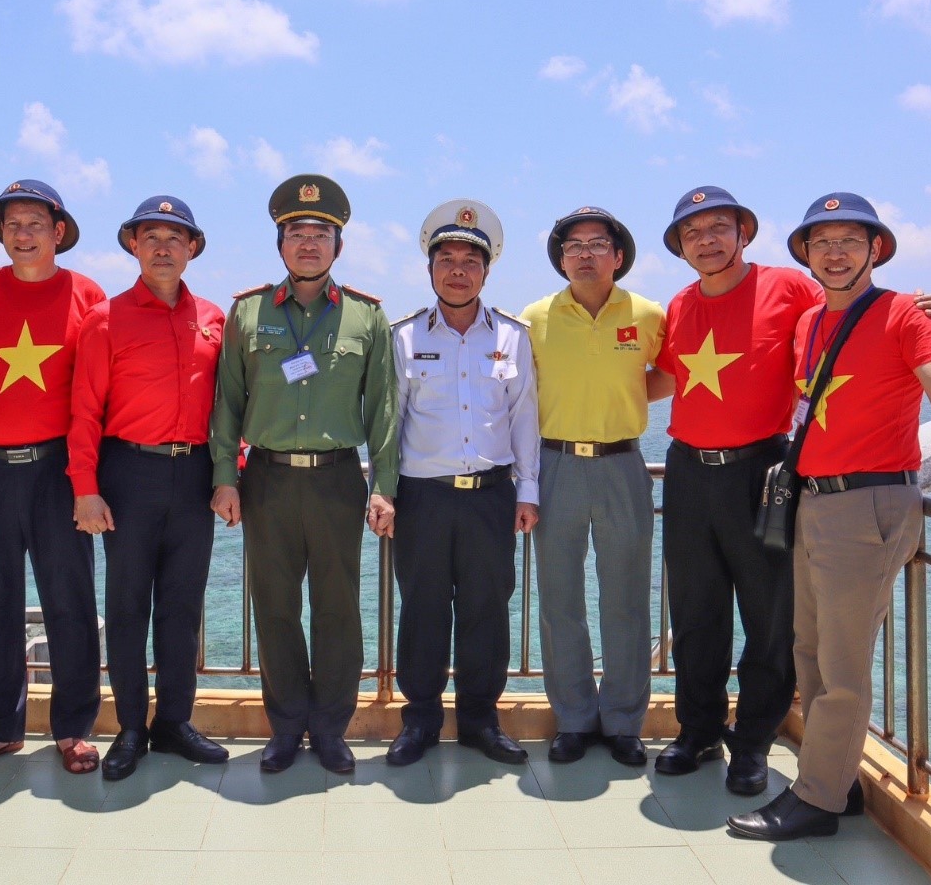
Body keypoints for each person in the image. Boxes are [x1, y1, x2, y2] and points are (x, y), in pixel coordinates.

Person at [727, 192, 931, 840]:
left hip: (867, 504)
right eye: (821, 242)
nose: (835, 253)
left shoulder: (903, 317)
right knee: (810, 651)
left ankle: (816, 799)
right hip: (815, 501)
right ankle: (836, 781)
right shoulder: (811, 324)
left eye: (850, 241)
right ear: (805, 253)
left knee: (841, 666)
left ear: (876, 250)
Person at [655, 187, 931, 796]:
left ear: (743, 234)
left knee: (769, 616)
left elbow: (856, 311)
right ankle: (698, 729)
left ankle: (753, 741)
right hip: (685, 469)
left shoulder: (790, 286)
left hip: (765, 469)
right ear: (680, 249)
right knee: (694, 610)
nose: (707, 240)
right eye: (693, 233)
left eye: (719, 227)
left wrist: (919, 311)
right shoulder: (678, 306)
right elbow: (664, 378)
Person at [209, 174, 398, 774]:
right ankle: (286, 727)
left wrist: (384, 488)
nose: (308, 243)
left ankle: (331, 727)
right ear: (280, 245)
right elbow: (226, 405)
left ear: (337, 246)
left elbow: (384, 411)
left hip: (338, 480)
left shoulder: (367, 318)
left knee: (339, 607)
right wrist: (224, 477)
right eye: (296, 233)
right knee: (276, 606)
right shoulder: (249, 312)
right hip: (266, 479)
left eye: (320, 234)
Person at [0, 179, 104, 774]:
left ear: (58, 232)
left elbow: (95, 394)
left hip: (59, 470)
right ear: (0, 234)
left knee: (71, 603)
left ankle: (73, 730)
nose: (24, 234)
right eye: (13, 225)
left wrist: (89, 481)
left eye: (35, 223)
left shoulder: (87, 294)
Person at [67, 195, 228, 782]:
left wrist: (228, 471)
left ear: (192, 249)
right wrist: (86, 489)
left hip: (194, 477)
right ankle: (131, 727)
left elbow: (230, 406)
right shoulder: (104, 318)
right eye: (151, 236)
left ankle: (175, 723)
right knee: (129, 607)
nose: (163, 247)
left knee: (183, 610)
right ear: (133, 246)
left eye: (175, 237)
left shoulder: (214, 318)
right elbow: (84, 412)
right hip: (127, 474)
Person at [385, 200, 540, 767]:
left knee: (486, 608)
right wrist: (383, 491)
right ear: (429, 271)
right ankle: (419, 721)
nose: (457, 270)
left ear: (486, 271)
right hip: (422, 497)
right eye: (445, 258)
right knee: (423, 607)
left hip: (492, 496)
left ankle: (480, 720)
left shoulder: (513, 336)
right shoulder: (401, 337)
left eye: (469, 261)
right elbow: (389, 422)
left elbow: (524, 415)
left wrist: (529, 491)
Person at [520, 207, 670, 766]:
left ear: (619, 256)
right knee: (560, 598)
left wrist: (624, 399)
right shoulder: (534, 317)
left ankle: (625, 721)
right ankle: (576, 720)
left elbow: (671, 374)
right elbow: (517, 393)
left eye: (597, 244)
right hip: (555, 462)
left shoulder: (648, 313)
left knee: (626, 597)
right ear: (560, 260)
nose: (585, 253)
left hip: (622, 463)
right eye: (573, 245)